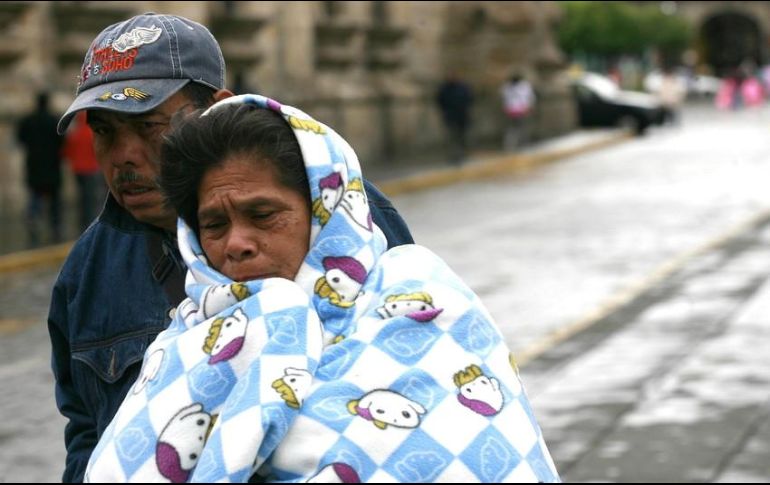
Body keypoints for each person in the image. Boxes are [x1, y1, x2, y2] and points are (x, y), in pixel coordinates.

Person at [83, 94, 560, 483]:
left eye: (263, 215)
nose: (236, 244)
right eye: (214, 225)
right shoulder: (185, 343)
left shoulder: (423, 308)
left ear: (324, 214)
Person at [47, 13, 414, 483]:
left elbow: (410, 377)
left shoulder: (343, 216)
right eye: (104, 131)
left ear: (215, 110)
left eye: (148, 125)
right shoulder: (87, 273)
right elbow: (86, 429)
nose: (124, 156)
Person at [16, 91, 64, 245]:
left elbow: (20, 139)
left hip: (34, 165)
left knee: (35, 195)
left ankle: (33, 221)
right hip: (52, 165)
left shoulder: (28, 120)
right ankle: (55, 227)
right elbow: (62, 141)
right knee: (54, 200)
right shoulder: (54, 121)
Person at [60, 111, 106, 232]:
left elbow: (66, 153)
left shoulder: (74, 134)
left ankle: (83, 222)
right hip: (92, 169)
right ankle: (92, 222)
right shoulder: (93, 133)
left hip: (78, 170)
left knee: (82, 197)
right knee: (93, 198)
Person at [436, 71, 473, 164]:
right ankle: (453, 155)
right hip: (450, 116)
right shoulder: (444, 89)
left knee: (462, 136)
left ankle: (463, 153)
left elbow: (469, 98)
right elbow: (440, 101)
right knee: (452, 136)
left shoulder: (462, 88)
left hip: (462, 115)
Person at [500, 72, 536, 151]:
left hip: (517, 110)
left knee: (519, 127)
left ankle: (520, 144)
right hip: (516, 110)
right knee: (516, 128)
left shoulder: (522, 86)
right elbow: (529, 97)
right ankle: (514, 144)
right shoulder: (509, 87)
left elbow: (529, 97)